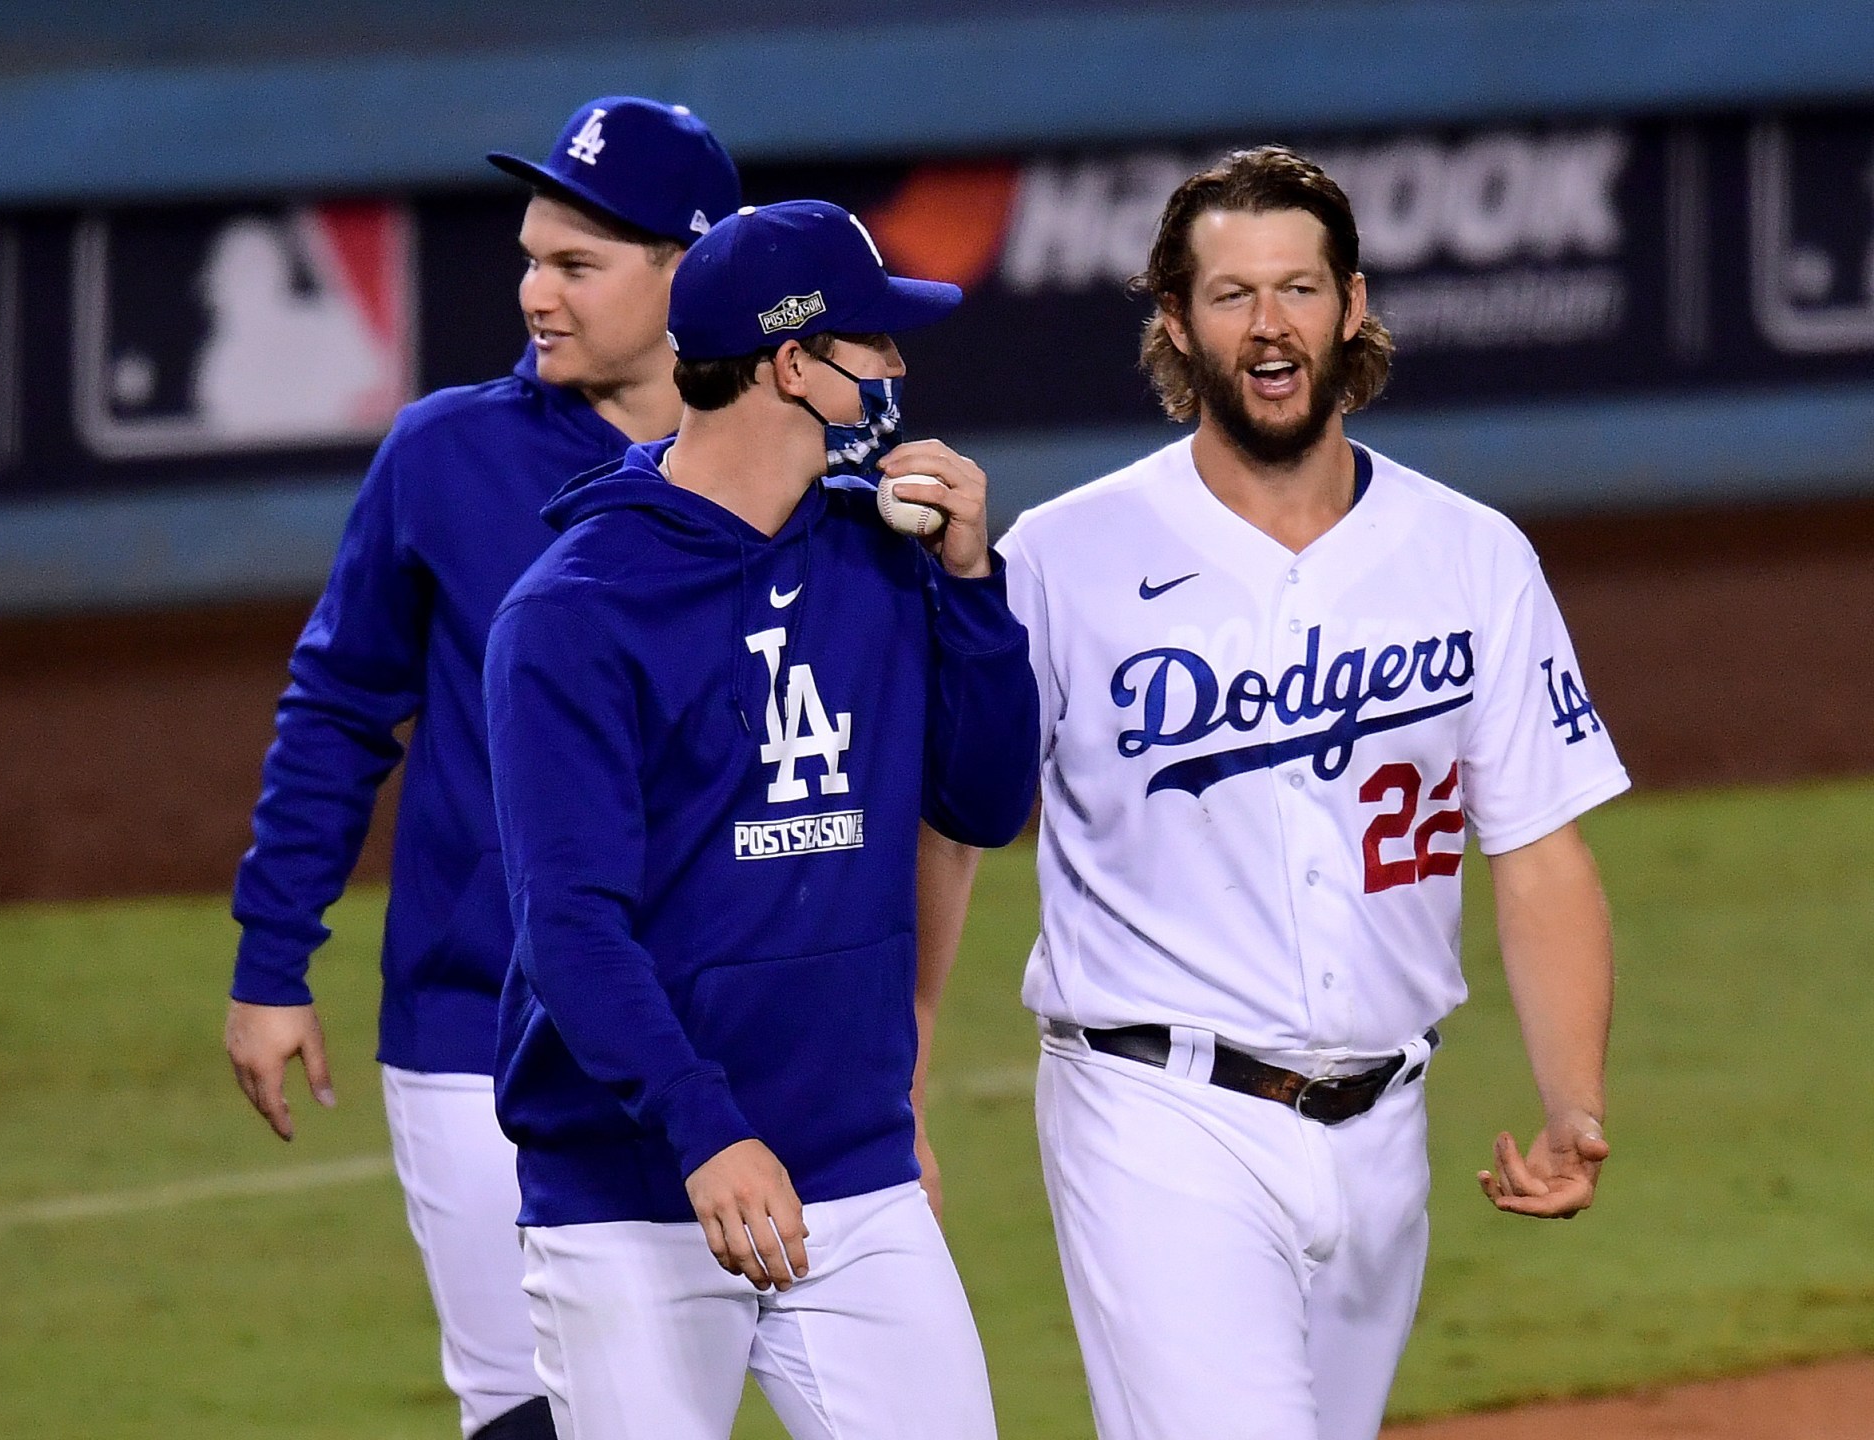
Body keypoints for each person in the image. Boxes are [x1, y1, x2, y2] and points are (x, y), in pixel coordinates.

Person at [986, 145, 1628, 1439]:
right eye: (1232, 294)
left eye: (1298, 288)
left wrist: (1576, 1102)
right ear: (1176, 320)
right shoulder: (1061, 559)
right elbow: (953, 826)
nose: (1270, 325)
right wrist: (900, 1079)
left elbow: (1543, 850)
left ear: (1352, 303)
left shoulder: (1471, 555)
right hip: (1155, 1116)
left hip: (1385, 1133)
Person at [223, 96, 740, 1440]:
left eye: (574, 267)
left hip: (731, 1032)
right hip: (479, 1028)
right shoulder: (448, 452)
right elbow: (339, 706)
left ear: (686, 274)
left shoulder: (778, 465)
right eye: (528, 259)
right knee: (525, 1411)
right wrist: (272, 961)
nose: (534, 295)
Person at [484, 199, 1039, 1440]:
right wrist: (705, 1128)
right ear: (794, 364)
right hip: (633, 1192)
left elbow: (986, 802)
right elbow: (571, 928)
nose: (897, 369)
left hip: (852, 1171)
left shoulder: (881, 558)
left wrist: (969, 587)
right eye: (875, 346)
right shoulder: (574, 612)